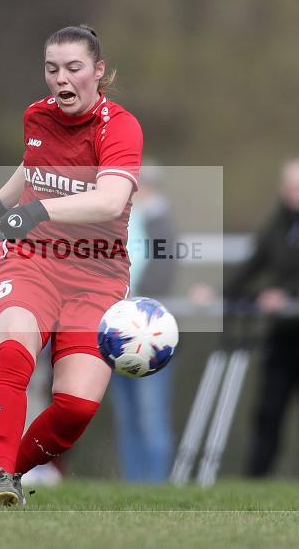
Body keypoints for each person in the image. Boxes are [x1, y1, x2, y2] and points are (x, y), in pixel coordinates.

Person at [0, 24, 142, 505]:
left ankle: (12, 471)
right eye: (52, 68)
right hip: (30, 258)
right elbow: (33, 164)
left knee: (76, 407)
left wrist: (37, 209)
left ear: (97, 72)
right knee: (14, 353)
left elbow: (110, 200)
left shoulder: (118, 126)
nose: (62, 79)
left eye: (74, 68)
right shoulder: (37, 116)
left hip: (96, 273)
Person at [226, 157, 299, 478]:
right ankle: (255, 483)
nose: (295, 190)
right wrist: (222, 292)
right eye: (290, 183)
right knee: (268, 412)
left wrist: (287, 294)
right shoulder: (277, 224)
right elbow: (253, 265)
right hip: (282, 335)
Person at [110, 162, 178, 482]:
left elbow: (161, 279)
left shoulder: (161, 226)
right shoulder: (123, 225)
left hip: (151, 335)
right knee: (127, 416)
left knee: (151, 415)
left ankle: (155, 483)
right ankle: (133, 482)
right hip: (119, 333)